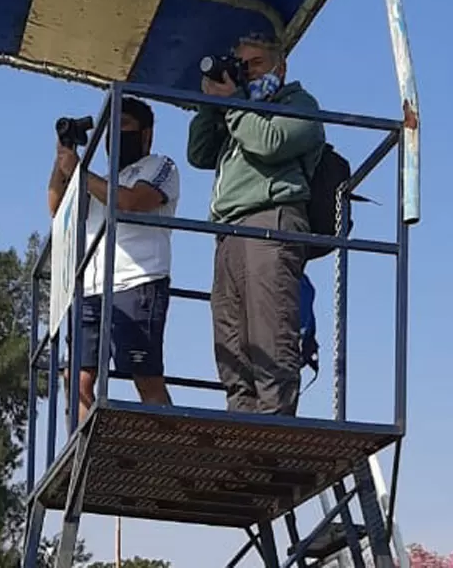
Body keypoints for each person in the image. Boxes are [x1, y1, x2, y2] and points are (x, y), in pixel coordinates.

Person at [187, 33, 325, 416]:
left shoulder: (297, 104)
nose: (246, 73)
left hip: (271, 221)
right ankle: (242, 433)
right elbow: (198, 153)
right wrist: (210, 105)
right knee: (232, 348)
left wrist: (233, 105)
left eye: (256, 65)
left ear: (280, 67)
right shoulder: (239, 113)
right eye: (241, 66)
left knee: (270, 339)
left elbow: (269, 143)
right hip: (229, 232)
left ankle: (274, 434)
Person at [48, 96, 178, 422]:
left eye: (126, 127)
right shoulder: (94, 182)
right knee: (76, 379)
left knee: (144, 376)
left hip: (137, 282)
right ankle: (87, 460)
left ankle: (167, 455)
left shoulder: (159, 166)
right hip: (90, 288)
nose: (116, 136)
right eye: (111, 129)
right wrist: (62, 158)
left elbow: (131, 202)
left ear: (146, 134)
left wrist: (80, 173)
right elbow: (55, 207)